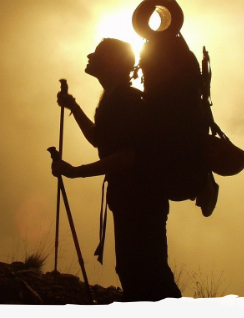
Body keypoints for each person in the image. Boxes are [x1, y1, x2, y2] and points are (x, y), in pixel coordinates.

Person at [51, 38, 186, 318]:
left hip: (141, 199)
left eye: (98, 54)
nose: (90, 56)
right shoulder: (114, 99)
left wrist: (76, 172)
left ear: (111, 63)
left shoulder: (126, 100)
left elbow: (127, 156)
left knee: (146, 270)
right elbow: (100, 140)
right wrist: (74, 107)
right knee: (135, 268)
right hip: (133, 199)